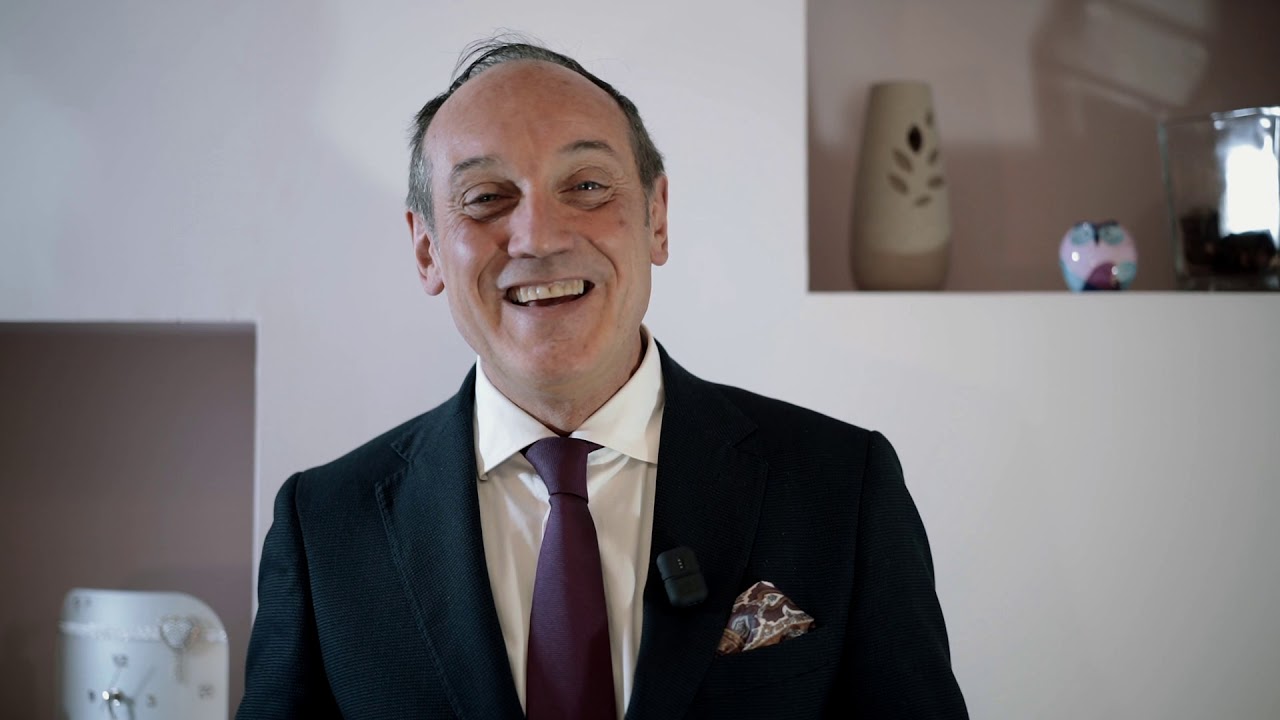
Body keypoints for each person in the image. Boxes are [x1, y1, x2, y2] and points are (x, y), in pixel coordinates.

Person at [238, 39, 968, 719]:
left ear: (657, 219)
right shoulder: (326, 528)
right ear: (426, 249)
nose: (539, 237)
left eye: (587, 185)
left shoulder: (841, 485)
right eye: (487, 197)